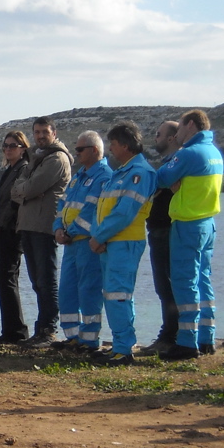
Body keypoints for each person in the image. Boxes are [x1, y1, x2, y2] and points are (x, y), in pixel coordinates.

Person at [156, 109, 224, 360]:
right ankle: (207, 337)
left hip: (187, 224)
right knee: (203, 279)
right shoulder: (214, 152)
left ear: (191, 125)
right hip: (207, 223)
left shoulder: (189, 153)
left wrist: (174, 177)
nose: (178, 134)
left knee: (185, 283)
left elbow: (162, 178)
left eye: (181, 128)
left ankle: (187, 342)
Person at [88, 121, 156, 367]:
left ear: (125, 145)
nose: (111, 149)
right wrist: (98, 234)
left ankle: (124, 349)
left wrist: (100, 236)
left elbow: (124, 213)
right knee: (113, 294)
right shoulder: (121, 172)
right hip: (110, 242)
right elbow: (101, 210)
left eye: (114, 145)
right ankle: (119, 345)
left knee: (119, 294)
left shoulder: (140, 173)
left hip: (125, 242)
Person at [12, 117, 73, 346]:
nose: (40, 136)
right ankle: (40, 330)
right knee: (37, 281)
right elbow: (16, 190)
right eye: (36, 132)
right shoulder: (37, 159)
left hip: (45, 227)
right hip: (28, 225)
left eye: (44, 131)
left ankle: (48, 330)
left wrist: (26, 190)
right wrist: (25, 191)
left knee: (46, 281)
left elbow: (30, 187)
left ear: (54, 132)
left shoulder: (57, 158)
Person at [52, 131, 112, 353]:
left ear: (94, 150)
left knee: (89, 290)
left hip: (87, 244)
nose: (75, 154)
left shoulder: (104, 176)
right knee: (67, 290)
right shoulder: (79, 177)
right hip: (70, 244)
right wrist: (57, 229)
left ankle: (89, 339)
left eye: (79, 150)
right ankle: (72, 336)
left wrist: (70, 231)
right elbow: (62, 205)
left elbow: (92, 212)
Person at [0, 131, 30, 344]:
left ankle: (17, 331)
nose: (8, 149)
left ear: (23, 148)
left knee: (8, 280)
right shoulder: (9, 170)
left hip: (12, 232)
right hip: (2, 230)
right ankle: (10, 329)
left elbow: (14, 203)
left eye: (13, 145)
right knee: (4, 280)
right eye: (5, 145)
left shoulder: (23, 169)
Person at [143, 121, 181, 355]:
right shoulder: (167, 165)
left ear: (170, 138)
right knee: (162, 285)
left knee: (167, 285)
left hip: (167, 230)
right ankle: (169, 332)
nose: (155, 138)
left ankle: (170, 335)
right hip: (156, 230)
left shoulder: (177, 163)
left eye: (158, 134)